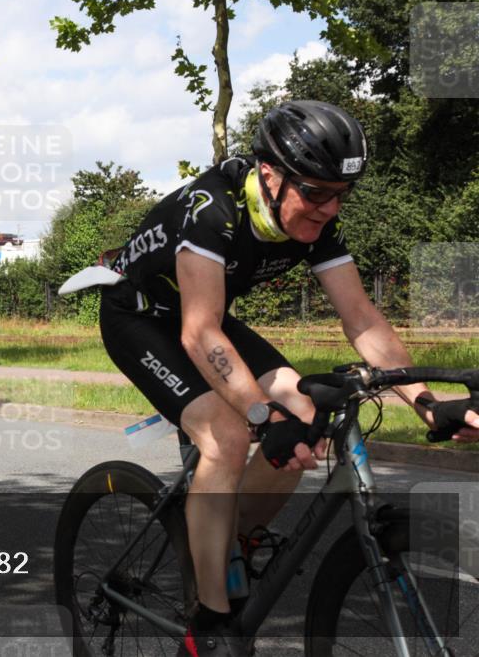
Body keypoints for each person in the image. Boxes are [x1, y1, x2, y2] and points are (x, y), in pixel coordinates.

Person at [97, 100, 479, 657]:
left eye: (340, 194)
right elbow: (199, 335)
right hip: (141, 320)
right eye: (316, 192)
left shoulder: (314, 220)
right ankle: (207, 623)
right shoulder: (212, 210)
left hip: (204, 317)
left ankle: (233, 540)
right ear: (269, 175)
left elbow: (362, 318)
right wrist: (258, 414)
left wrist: (426, 401)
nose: (328, 208)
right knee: (226, 437)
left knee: (306, 413)